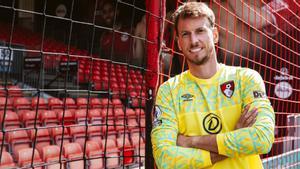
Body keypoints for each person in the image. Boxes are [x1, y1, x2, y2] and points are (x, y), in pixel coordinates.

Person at [151, 2, 275, 168]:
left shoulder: (246, 79)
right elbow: (165, 159)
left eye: (200, 31)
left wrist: (191, 141)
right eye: (185, 34)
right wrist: (233, 139)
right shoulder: (169, 91)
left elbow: (262, 139)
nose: (194, 40)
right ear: (179, 43)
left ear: (215, 35)